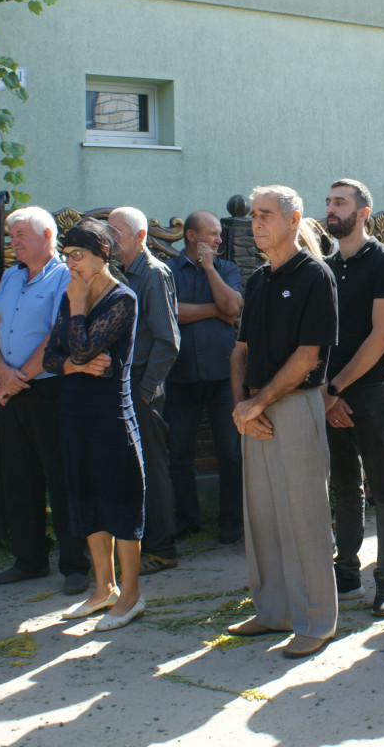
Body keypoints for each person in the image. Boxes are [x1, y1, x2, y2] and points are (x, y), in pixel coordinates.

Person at [225, 185, 340, 659]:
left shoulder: (315, 276)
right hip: (255, 411)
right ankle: (272, 611)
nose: (257, 222)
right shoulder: (257, 280)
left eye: (266, 214)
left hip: (295, 406)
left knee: (305, 518)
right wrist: (241, 408)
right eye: (253, 214)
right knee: (263, 517)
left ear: (294, 220)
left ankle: (316, 621)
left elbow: (308, 355)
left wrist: (260, 402)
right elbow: (241, 351)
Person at [43, 218, 147, 631]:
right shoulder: (70, 296)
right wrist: (74, 366)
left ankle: (133, 595)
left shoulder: (123, 298)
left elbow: (85, 344)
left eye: (77, 256)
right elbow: (53, 356)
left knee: (120, 504)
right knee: (86, 499)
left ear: (102, 255)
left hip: (111, 417)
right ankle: (104, 589)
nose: (70, 264)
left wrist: (80, 310)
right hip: (75, 413)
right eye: (66, 256)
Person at [0, 206, 92, 595]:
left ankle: (75, 565)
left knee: (61, 478)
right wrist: (2, 372)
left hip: (48, 392)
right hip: (10, 391)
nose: (13, 243)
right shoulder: (10, 276)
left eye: (20, 235)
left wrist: (20, 377)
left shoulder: (66, 276)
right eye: (11, 236)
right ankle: (28, 560)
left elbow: (57, 335)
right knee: (18, 477)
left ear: (47, 236)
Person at [320, 179, 384, 616]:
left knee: (382, 487)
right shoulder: (325, 268)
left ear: (363, 212)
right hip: (331, 393)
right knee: (343, 486)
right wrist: (328, 395)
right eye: (329, 202)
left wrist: (335, 389)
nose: (331, 209)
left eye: (340, 202)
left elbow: (380, 337)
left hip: (371, 391)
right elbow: (318, 338)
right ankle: (346, 570)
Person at [107, 207, 181, 576]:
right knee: (129, 470)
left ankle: (163, 548)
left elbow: (168, 341)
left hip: (141, 385)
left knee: (151, 467)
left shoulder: (153, 273)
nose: (110, 238)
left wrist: (146, 391)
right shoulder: (116, 273)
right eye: (107, 230)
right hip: (122, 382)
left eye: (116, 231)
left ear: (139, 236)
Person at [165, 210, 244, 544]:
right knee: (179, 452)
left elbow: (234, 307)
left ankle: (231, 521)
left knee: (230, 451)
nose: (218, 240)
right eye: (212, 234)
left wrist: (210, 268)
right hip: (180, 377)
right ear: (191, 236)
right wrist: (215, 311)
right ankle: (186, 520)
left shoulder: (227, 269)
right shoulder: (168, 272)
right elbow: (171, 311)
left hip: (222, 377)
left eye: (219, 236)